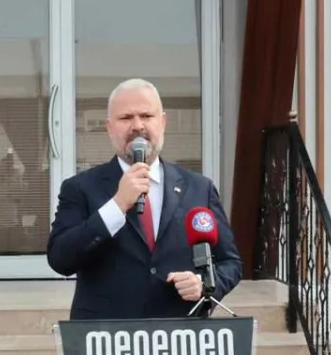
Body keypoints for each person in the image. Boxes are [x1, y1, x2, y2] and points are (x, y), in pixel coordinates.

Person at [46, 78, 242, 320]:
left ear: (163, 122)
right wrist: (117, 205)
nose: (137, 126)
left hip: (179, 331)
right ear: (109, 127)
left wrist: (204, 285)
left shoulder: (199, 188)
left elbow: (230, 262)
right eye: (126, 118)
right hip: (105, 333)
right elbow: (60, 259)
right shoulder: (80, 188)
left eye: (147, 116)